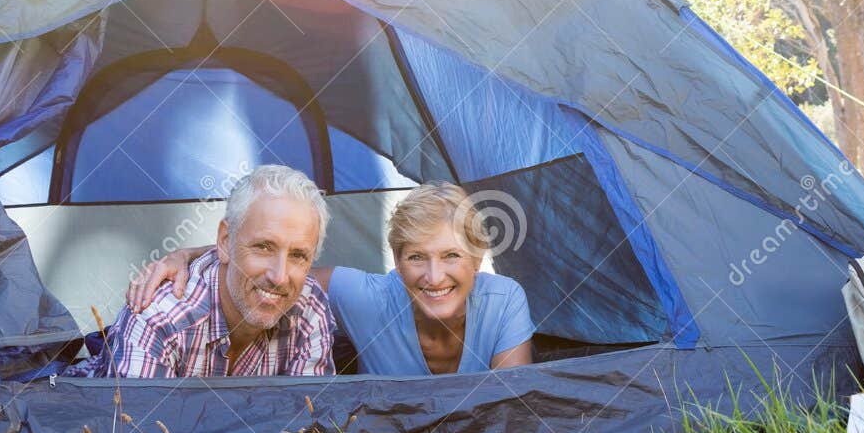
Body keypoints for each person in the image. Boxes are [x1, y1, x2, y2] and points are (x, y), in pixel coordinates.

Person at [129, 181, 533, 376]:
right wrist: (190, 254)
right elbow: (282, 275)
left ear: (477, 259)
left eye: (451, 256)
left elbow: (513, 414)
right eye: (416, 257)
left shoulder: (504, 302)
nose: (434, 276)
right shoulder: (367, 297)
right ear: (396, 260)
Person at [86, 164, 336, 379]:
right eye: (263, 247)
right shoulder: (158, 320)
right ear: (225, 241)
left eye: (298, 255)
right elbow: (136, 421)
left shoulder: (309, 308)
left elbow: (308, 418)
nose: (279, 277)